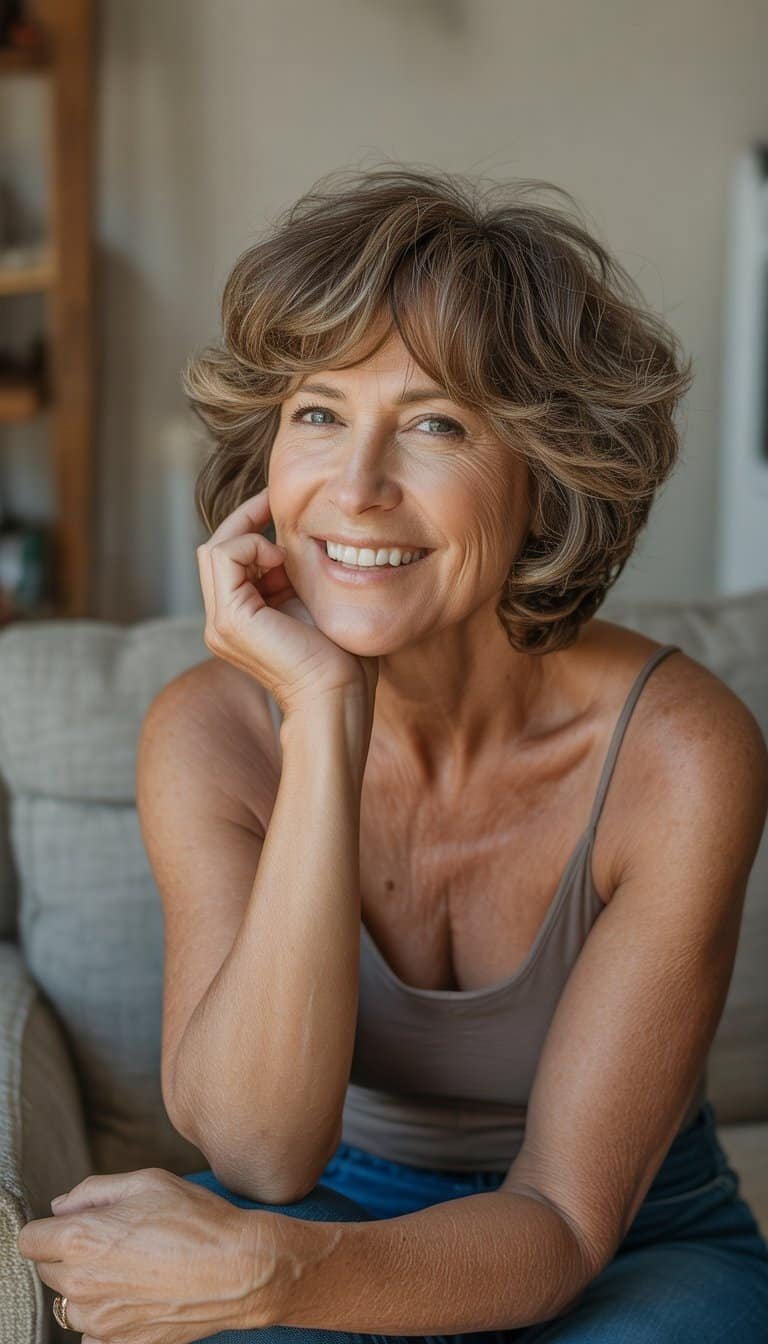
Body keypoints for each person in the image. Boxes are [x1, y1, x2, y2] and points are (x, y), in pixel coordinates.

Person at [24, 165, 768, 1343]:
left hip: (636, 1243)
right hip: (324, 1207)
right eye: (319, 413)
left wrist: (280, 1277)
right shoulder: (210, 733)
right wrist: (323, 716)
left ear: (547, 473)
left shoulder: (680, 754)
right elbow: (264, 1156)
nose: (358, 490)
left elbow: (566, 1221)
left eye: (434, 424)